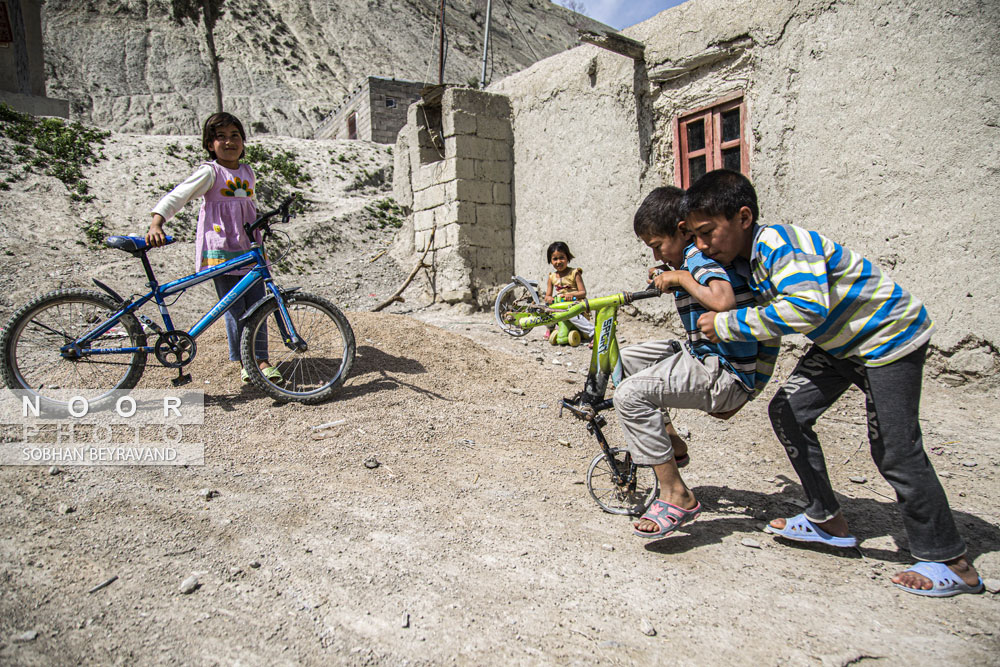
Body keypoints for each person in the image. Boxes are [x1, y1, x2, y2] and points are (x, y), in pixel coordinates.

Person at [690, 169, 983, 597]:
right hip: (841, 345)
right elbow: (774, 325)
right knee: (788, 411)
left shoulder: (779, 243)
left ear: (743, 217)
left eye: (707, 232)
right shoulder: (748, 262)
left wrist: (728, 324)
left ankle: (950, 562)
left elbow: (806, 309)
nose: (703, 245)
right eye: (695, 237)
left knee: (896, 449)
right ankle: (827, 519)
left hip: (887, 337)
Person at [614, 186, 778, 539]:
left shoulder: (696, 260)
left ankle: (678, 495)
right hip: (703, 356)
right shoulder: (692, 258)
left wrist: (680, 277)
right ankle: (672, 443)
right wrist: (676, 276)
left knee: (628, 396)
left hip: (724, 373)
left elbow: (722, 299)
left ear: (683, 230)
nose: (657, 253)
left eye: (659, 244)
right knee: (626, 360)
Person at [146, 112, 282, 385]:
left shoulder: (247, 172)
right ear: (210, 144)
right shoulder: (210, 172)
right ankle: (248, 362)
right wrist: (157, 222)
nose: (229, 142)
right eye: (221, 137)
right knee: (234, 307)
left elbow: (246, 206)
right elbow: (179, 195)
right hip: (222, 250)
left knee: (258, 304)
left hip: (249, 248)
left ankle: (261, 358)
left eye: (235, 136)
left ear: (243, 141)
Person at [543, 241, 595, 342]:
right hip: (560, 305)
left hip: (575, 304)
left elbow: (583, 292)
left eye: (561, 257)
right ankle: (550, 328)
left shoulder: (574, 273)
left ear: (567, 257)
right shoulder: (551, 277)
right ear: (550, 260)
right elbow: (547, 296)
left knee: (571, 314)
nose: (558, 262)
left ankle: (592, 333)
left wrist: (572, 295)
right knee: (545, 311)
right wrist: (549, 298)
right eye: (555, 259)